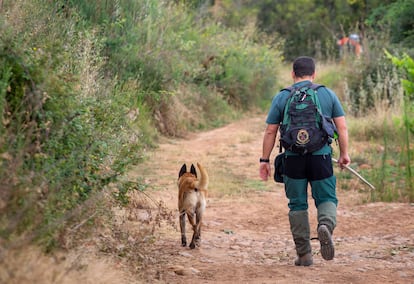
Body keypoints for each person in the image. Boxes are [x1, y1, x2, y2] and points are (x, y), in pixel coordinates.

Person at [259, 56, 350, 266]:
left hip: (292, 159)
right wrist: (344, 154)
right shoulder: (327, 93)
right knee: (326, 197)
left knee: (297, 204)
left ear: (293, 74)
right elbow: (342, 128)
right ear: (314, 74)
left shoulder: (282, 97)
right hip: (322, 156)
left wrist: (264, 160)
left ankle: (304, 254)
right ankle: (325, 224)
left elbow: (270, 130)